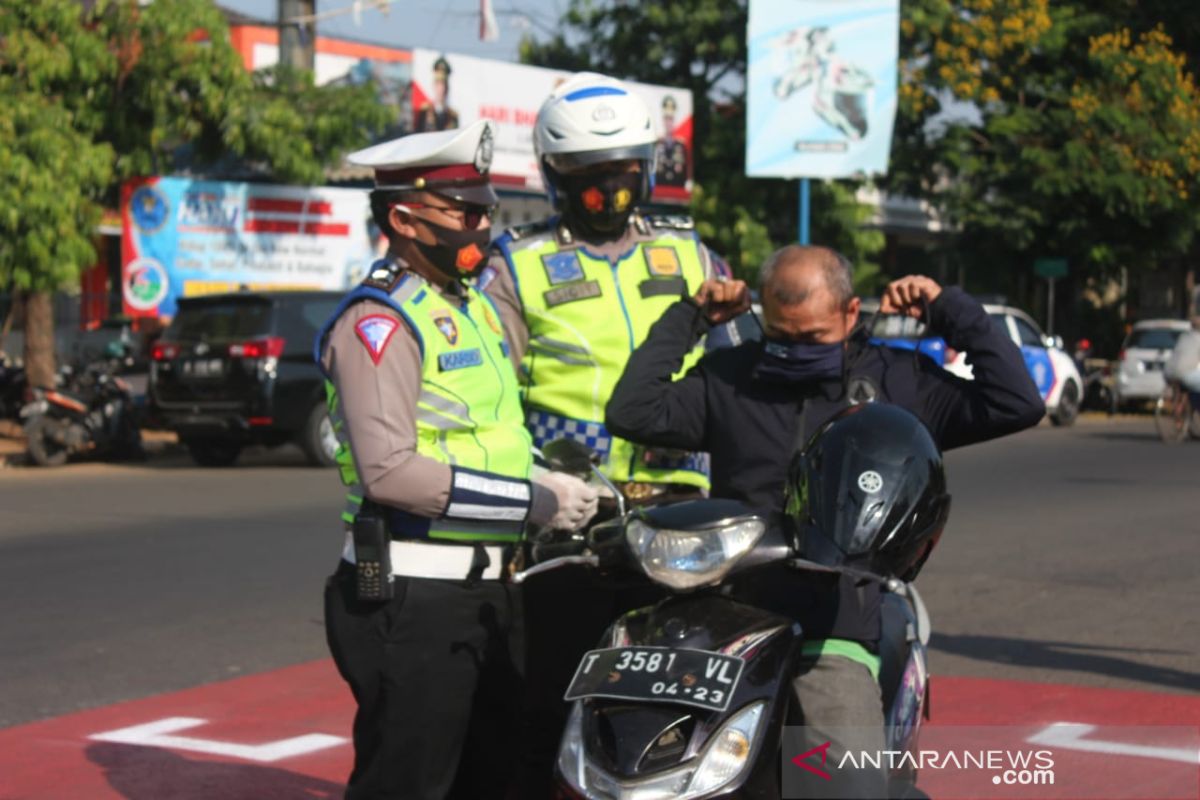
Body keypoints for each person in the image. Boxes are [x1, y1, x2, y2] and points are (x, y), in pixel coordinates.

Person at [606, 244, 1045, 798]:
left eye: (812, 337)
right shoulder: (730, 376)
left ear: (849, 312)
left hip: (831, 630)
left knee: (847, 786)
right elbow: (632, 410)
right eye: (781, 336)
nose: (794, 351)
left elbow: (1017, 402)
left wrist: (948, 309)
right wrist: (691, 316)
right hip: (727, 625)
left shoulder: (900, 380)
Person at [314, 119, 598, 800]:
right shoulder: (379, 321)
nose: (481, 226)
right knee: (410, 782)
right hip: (415, 595)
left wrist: (542, 476)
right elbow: (390, 471)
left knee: (498, 777)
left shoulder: (469, 309)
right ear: (406, 219)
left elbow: (485, 436)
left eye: (486, 210)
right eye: (465, 213)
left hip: (492, 588)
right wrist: (535, 502)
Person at [479, 70, 733, 796]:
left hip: (683, 513)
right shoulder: (516, 265)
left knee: (680, 701)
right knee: (549, 700)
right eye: (591, 181)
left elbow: (736, 371)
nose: (612, 196)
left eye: (625, 177)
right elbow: (493, 396)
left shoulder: (690, 255)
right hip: (571, 518)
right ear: (556, 179)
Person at [414, 55, 459, 133]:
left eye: (444, 86)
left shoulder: (453, 116)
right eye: (438, 85)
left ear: (447, 89)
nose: (441, 90)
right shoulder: (425, 112)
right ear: (434, 86)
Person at [654, 94, 689, 188]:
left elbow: (684, 170)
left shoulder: (680, 144)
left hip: (677, 186)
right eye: (666, 119)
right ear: (663, 121)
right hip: (659, 186)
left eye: (671, 119)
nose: (669, 123)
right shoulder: (657, 143)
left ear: (674, 121)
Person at [1165, 316, 1200, 395]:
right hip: (1184, 374)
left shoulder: (1184, 337)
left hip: (1168, 373)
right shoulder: (1198, 338)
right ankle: (1196, 405)